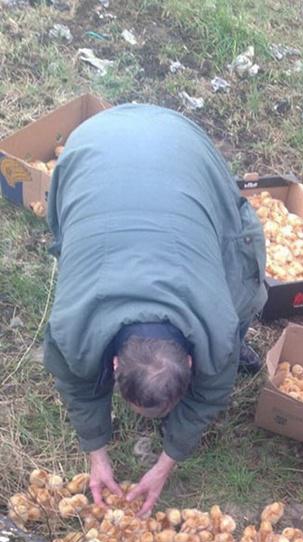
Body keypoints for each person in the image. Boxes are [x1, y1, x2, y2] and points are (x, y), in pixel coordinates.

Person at [44, 104, 267, 516]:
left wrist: (166, 464)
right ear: (113, 366)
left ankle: (235, 351)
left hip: (183, 147)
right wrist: (97, 455)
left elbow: (211, 392)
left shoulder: (221, 320)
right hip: (91, 150)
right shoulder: (70, 325)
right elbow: (74, 383)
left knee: (244, 277)